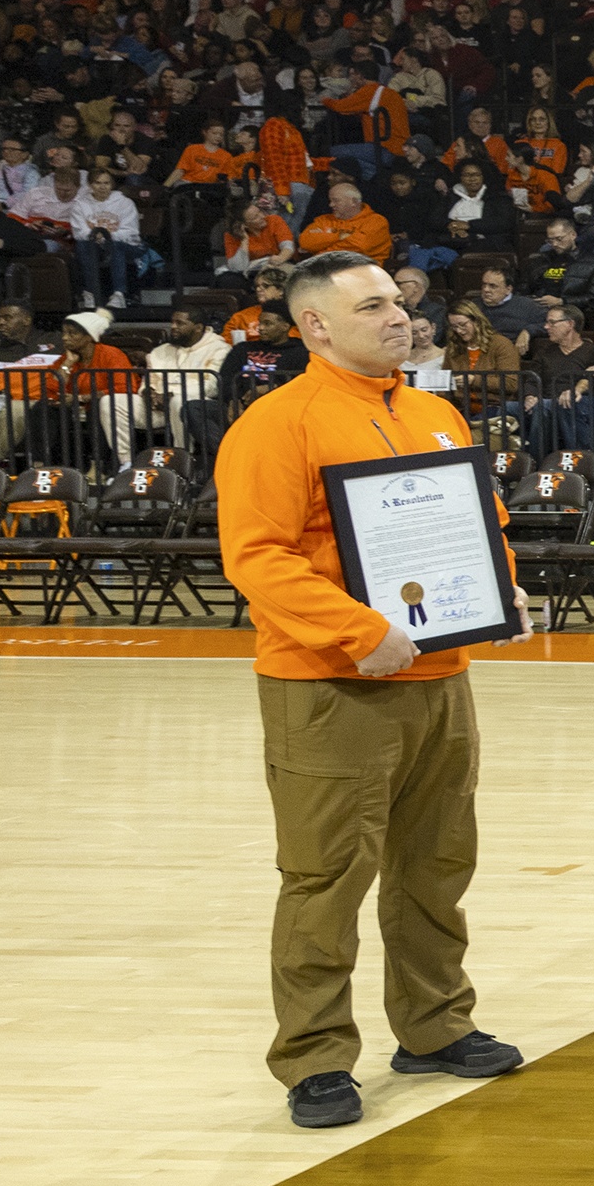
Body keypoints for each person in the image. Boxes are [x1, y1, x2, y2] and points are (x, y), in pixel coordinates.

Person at [213, 252, 528, 1131]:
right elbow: (258, 558)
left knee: (435, 861)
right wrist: (362, 632)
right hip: (328, 685)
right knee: (325, 876)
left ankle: (434, 1025)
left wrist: (501, 589)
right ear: (314, 325)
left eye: (399, 300)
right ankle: (314, 1059)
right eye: (374, 305)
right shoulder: (279, 424)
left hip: (440, 678)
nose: (401, 316)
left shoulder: (432, 412)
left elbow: (480, 522)